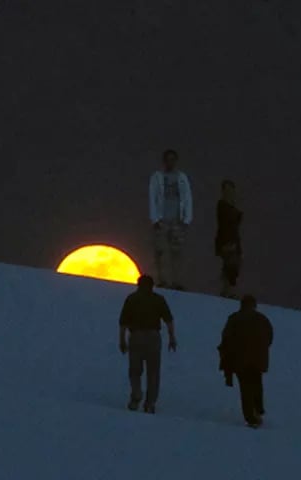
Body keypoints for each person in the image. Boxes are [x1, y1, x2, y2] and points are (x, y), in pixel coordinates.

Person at [119, 274, 178, 414]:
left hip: (136, 336)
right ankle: (150, 403)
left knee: (135, 369)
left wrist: (122, 340)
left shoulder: (132, 299)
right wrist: (172, 337)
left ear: (138, 284)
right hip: (153, 337)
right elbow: (168, 320)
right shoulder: (158, 299)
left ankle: (136, 395)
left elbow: (123, 322)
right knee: (153, 372)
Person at [217, 295, 273, 428]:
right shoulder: (263, 319)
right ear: (254, 305)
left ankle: (250, 417)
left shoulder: (234, 318)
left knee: (245, 387)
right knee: (257, 383)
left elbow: (226, 337)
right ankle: (258, 410)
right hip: (259, 359)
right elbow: (269, 337)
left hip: (240, 359)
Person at [148, 149, 193, 290]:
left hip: (177, 221)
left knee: (177, 253)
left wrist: (186, 219)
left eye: (173, 159)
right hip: (162, 220)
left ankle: (177, 282)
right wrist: (155, 219)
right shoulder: (157, 177)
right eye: (168, 159)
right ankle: (162, 280)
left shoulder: (181, 177)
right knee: (160, 251)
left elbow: (187, 198)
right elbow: (152, 197)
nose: (170, 162)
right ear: (164, 161)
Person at [215, 179, 243, 299]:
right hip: (228, 240)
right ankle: (228, 291)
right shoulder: (222, 205)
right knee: (231, 266)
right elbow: (225, 225)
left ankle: (227, 290)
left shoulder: (230, 205)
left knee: (231, 266)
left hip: (233, 240)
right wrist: (228, 243)